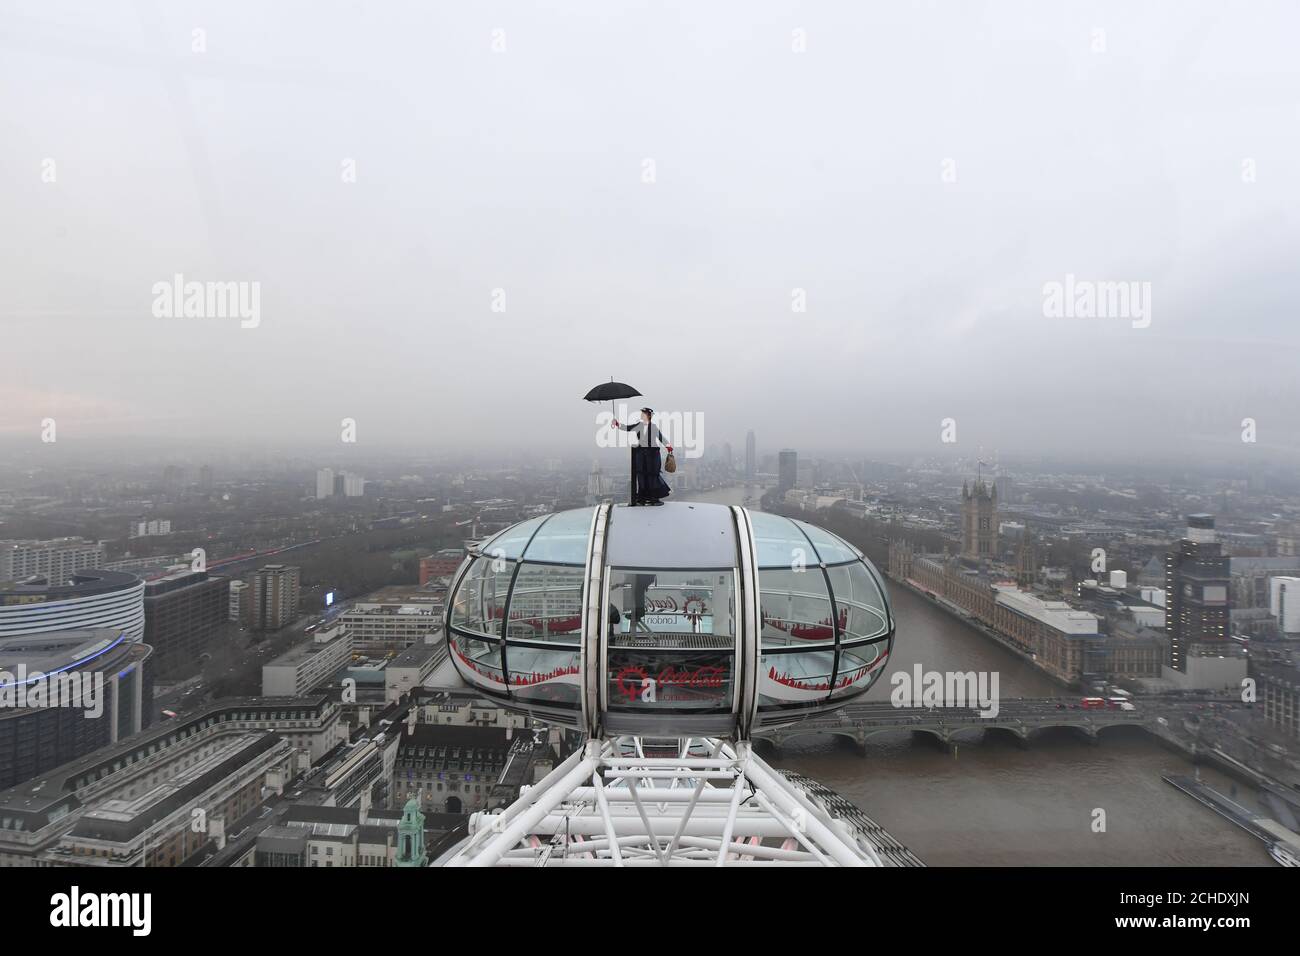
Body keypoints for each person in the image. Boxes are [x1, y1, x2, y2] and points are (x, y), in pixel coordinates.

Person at [611, 407, 672, 505]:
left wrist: (668, 446)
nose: (641, 415)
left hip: (646, 455)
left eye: (643, 414)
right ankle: (650, 498)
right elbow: (627, 428)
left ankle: (645, 499)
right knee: (647, 476)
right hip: (649, 455)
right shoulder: (646, 426)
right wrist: (617, 424)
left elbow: (661, 438)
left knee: (647, 476)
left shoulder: (647, 426)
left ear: (648, 416)